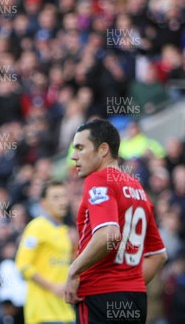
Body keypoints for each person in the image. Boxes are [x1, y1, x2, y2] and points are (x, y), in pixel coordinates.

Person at [64, 119, 167, 323]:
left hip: (98, 296)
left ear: (103, 149)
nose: (74, 156)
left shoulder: (98, 179)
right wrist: (126, 283)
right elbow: (158, 256)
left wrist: (73, 271)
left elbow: (108, 234)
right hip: (134, 298)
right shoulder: (138, 189)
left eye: (80, 148)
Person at [15, 180, 75, 324]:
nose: (62, 201)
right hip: (43, 313)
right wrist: (53, 287)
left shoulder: (64, 231)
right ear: (43, 203)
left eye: (63, 196)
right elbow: (23, 265)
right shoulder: (37, 227)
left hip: (65, 312)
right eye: (55, 197)